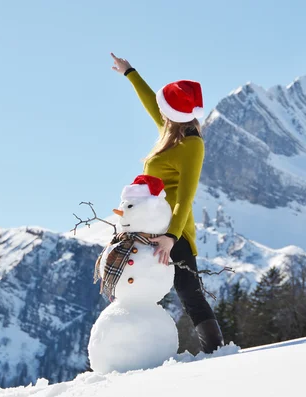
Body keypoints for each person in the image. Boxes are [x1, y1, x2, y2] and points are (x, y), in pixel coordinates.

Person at [110, 53, 224, 354]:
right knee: (137, 285)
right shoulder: (170, 131)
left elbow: (185, 196)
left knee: (188, 291)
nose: (159, 111)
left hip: (172, 230)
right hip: (149, 226)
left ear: (173, 112)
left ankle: (216, 351)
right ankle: (131, 350)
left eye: (164, 108)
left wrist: (172, 237)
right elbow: (152, 102)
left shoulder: (191, 145)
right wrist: (129, 72)